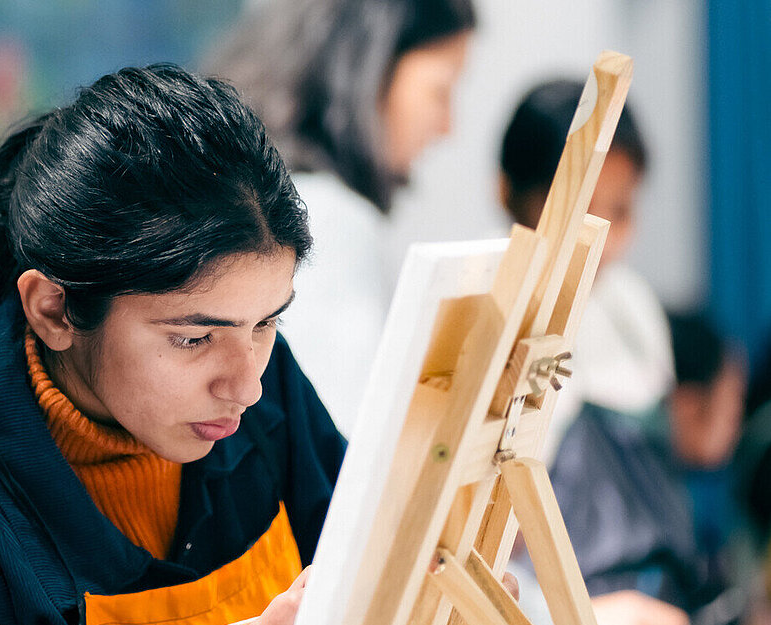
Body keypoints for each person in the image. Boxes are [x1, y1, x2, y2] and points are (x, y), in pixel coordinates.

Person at [0, 64, 347, 625]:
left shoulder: (261, 376)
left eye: (266, 323)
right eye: (193, 338)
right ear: (54, 310)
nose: (246, 388)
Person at [207, 0, 476, 433]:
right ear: (368, 74)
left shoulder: (264, 199)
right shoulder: (329, 219)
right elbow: (353, 431)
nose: (448, 125)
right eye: (439, 91)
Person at [498, 79, 674, 464]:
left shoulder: (632, 302)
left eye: (621, 209)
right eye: (583, 210)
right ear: (508, 192)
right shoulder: (494, 302)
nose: (603, 238)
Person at [550, 312, 749, 625]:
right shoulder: (599, 452)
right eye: (733, 405)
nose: (737, 428)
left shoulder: (660, 470)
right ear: (688, 403)